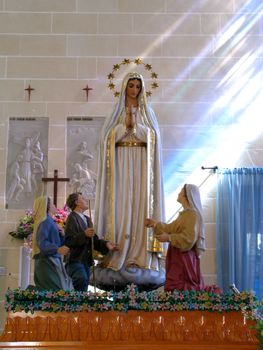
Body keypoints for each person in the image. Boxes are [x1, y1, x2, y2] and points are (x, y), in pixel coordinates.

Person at [94, 72, 165, 289]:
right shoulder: (115, 113)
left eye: (137, 86)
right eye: (131, 86)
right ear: (124, 88)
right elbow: (106, 139)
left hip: (142, 166)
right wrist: (124, 127)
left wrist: (137, 127)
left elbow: (154, 139)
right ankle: (118, 256)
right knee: (122, 205)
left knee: (140, 208)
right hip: (120, 165)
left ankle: (141, 256)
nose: (134, 90)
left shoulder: (148, 113)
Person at [145, 184, 206, 292]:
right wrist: (154, 224)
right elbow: (170, 228)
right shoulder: (184, 215)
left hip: (185, 259)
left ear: (187, 195)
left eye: (181, 191)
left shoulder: (192, 215)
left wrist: (169, 238)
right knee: (175, 287)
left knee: (181, 287)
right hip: (177, 256)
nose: (179, 193)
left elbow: (189, 238)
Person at [64, 192, 118, 291]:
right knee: (81, 279)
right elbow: (68, 240)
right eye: (83, 199)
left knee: (85, 284)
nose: (86, 201)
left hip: (86, 260)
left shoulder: (87, 219)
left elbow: (94, 239)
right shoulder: (72, 218)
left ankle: (81, 304)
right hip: (75, 259)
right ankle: (76, 305)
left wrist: (106, 244)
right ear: (77, 202)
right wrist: (84, 234)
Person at [32, 196, 72, 291]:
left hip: (52, 259)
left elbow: (57, 242)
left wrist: (62, 234)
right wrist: (57, 249)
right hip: (47, 260)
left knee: (57, 289)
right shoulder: (45, 222)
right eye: (53, 204)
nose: (55, 206)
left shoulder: (50, 222)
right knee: (57, 289)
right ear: (48, 206)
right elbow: (42, 242)